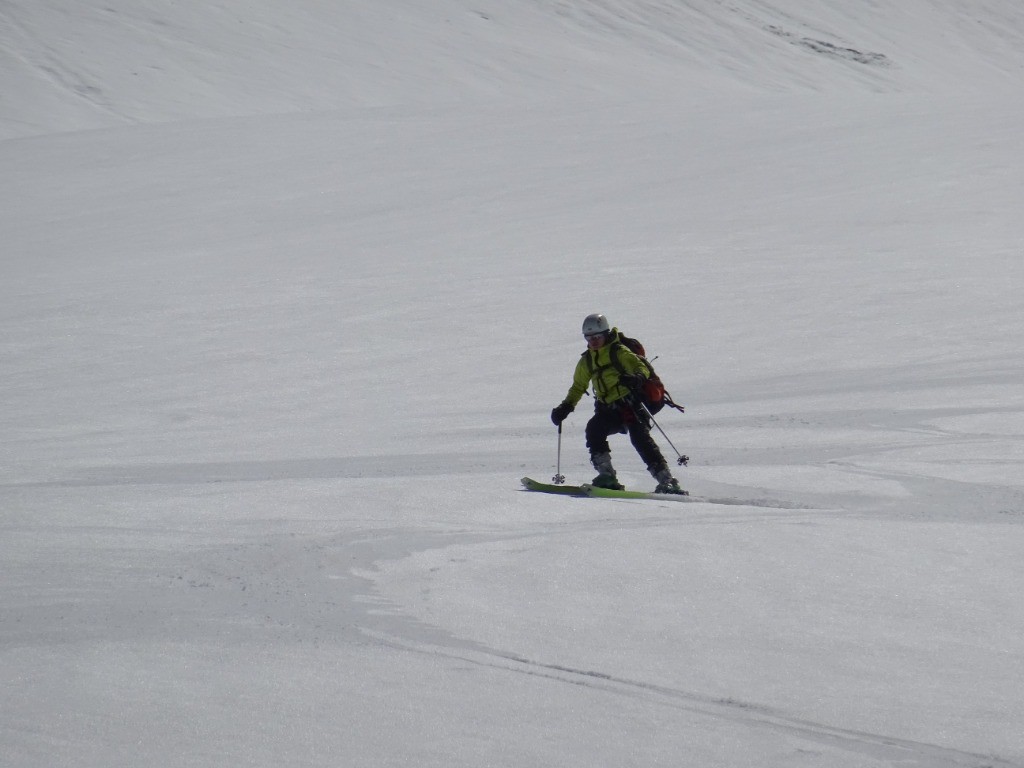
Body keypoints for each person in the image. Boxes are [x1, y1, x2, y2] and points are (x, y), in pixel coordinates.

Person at [550, 314, 685, 494]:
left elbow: (641, 368)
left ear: (606, 334)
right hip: (608, 408)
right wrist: (566, 407)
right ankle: (607, 476)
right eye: (589, 338)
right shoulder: (586, 361)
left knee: (639, 437)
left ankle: (667, 481)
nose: (594, 342)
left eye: (597, 337)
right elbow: (578, 387)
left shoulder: (619, 352)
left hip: (631, 404)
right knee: (594, 429)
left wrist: (636, 378)